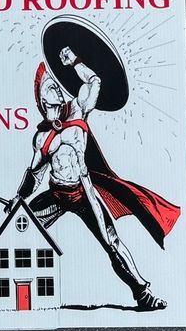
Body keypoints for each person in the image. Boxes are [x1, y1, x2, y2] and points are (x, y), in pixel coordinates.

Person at [15, 47, 177, 311]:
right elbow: (34, 174)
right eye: (49, 86)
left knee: (111, 241)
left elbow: (94, 82)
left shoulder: (78, 111)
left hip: (84, 194)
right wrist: (17, 199)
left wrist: (75, 61)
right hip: (56, 195)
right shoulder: (42, 138)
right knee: (17, 231)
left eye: (55, 84)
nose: (55, 87)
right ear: (42, 99)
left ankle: (143, 294)